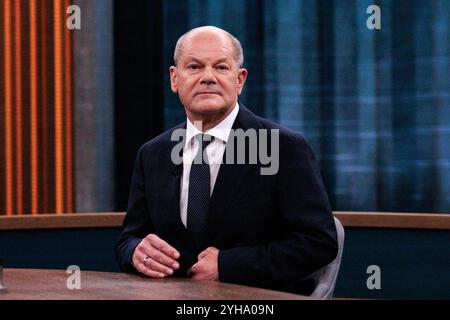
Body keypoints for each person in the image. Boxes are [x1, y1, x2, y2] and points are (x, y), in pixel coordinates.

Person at [115, 26, 338, 295]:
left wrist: (228, 265)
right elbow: (129, 239)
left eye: (220, 67)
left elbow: (319, 243)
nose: (207, 77)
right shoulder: (152, 154)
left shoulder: (283, 147)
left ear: (240, 80)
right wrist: (136, 252)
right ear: (174, 79)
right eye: (194, 67)